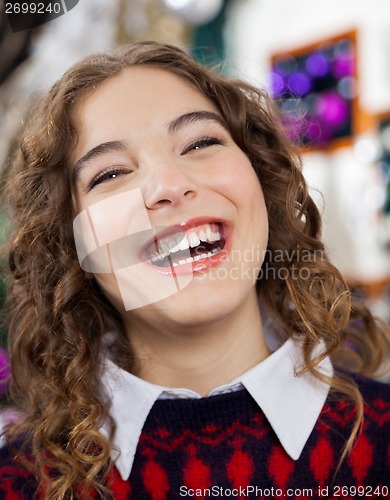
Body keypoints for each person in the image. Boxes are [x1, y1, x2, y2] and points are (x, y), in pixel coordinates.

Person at [0, 41, 389, 500]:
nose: (170, 185)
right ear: (71, 247)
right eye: (110, 174)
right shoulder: (18, 485)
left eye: (201, 142)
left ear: (262, 181)